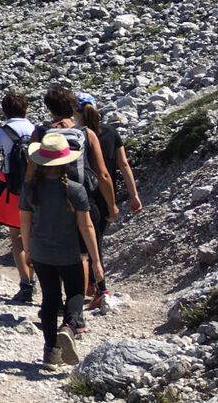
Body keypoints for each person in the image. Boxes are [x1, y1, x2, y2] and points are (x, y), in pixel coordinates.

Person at [26, 85, 118, 331]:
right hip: (81, 199)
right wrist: (111, 205)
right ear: (73, 107)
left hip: (46, 201)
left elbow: (32, 170)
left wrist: (29, 199)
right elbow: (103, 174)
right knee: (82, 255)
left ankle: (55, 305)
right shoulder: (87, 133)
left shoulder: (41, 132)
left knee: (53, 251)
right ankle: (75, 314)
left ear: (49, 108)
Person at [20, 132, 104, 371]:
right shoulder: (76, 190)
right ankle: (68, 327)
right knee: (76, 292)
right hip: (69, 253)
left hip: (40, 252)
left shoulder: (29, 189)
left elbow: (24, 223)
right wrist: (96, 261)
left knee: (49, 299)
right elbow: (86, 227)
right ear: (66, 161)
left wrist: (27, 251)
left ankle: (50, 352)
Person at [78, 97, 143, 310]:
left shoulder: (77, 135)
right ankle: (92, 284)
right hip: (107, 197)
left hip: (85, 197)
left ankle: (101, 289)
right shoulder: (112, 133)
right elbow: (123, 164)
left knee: (89, 247)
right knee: (96, 241)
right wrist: (133, 195)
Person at [0, 91, 38, 303]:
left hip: (12, 190)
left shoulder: (1, 132)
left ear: (4, 111)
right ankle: (38, 279)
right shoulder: (36, 129)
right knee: (36, 236)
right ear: (26, 109)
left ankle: (25, 285)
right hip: (37, 189)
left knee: (17, 237)